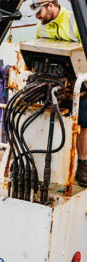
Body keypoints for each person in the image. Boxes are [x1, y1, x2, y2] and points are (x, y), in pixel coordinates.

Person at [28, 1, 87, 186]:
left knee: (83, 123)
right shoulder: (41, 28)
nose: (37, 17)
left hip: (79, 83)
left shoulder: (75, 21)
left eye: (39, 12)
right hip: (51, 83)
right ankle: (38, 162)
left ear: (50, 5)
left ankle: (83, 163)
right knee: (42, 116)